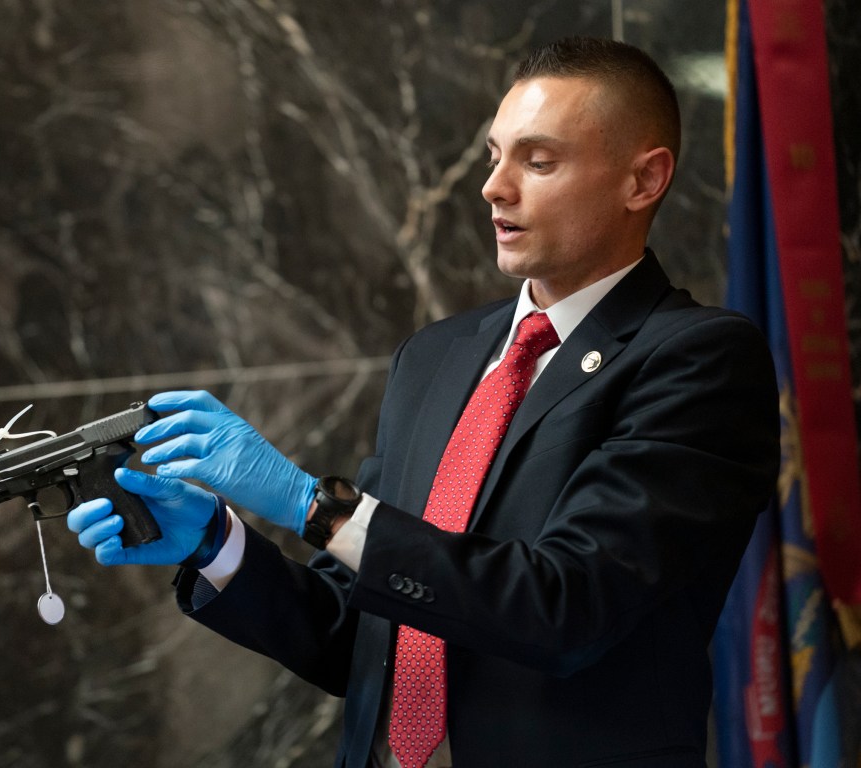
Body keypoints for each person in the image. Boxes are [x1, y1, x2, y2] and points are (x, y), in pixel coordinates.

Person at [69, 37, 780, 768]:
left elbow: (566, 608)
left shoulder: (698, 360)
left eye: (538, 162)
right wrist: (219, 545)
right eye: (493, 157)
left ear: (644, 180)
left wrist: (313, 505)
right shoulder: (436, 358)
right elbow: (365, 634)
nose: (495, 188)